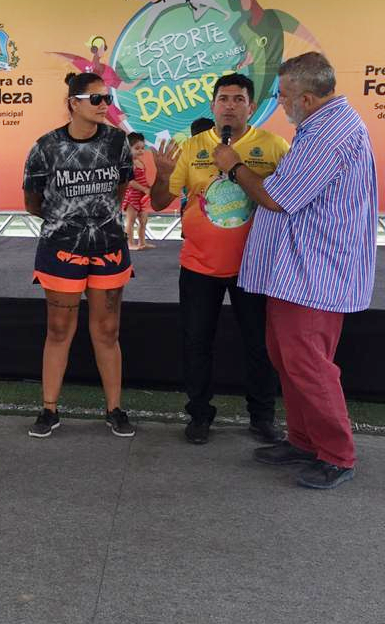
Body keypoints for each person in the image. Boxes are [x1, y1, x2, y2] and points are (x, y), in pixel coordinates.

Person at [212, 52, 378, 489]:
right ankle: (304, 442)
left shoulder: (329, 135)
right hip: (297, 271)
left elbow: (277, 198)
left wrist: (233, 166)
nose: (279, 102)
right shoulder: (320, 126)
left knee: (308, 364)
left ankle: (337, 455)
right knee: (288, 358)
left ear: (306, 97)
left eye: (283, 95)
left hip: (314, 273)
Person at [150, 73, 288, 446]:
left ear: (251, 106)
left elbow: (287, 201)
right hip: (199, 266)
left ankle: (262, 416)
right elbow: (160, 201)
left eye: (238, 99)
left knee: (259, 344)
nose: (229, 105)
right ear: (212, 106)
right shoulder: (191, 147)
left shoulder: (274, 146)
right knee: (196, 342)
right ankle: (199, 414)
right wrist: (162, 177)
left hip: (255, 267)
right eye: (223, 98)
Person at [23, 72, 136, 439]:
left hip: (109, 247)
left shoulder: (118, 142)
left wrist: (97, 220)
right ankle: (49, 409)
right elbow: (32, 202)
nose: (105, 105)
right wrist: (68, 222)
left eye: (107, 99)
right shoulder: (45, 147)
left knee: (108, 330)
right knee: (58, 330)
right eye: (96, 99)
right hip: (60, 248)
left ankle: (115, 409)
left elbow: (120, 190)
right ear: (73, 103)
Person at [121, 132, 153, 251]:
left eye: (142, 148)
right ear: (127, 148)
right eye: (136, 148)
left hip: (142, 196)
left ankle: (142, 242)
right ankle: (129, 243)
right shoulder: (128, 163)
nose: (140, 151)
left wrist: (148, 188)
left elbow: (142, 179)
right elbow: (130, 182)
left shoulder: (140, 162)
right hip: (131, 195)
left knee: (143, 220)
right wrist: (144, 189)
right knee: (131, 220)